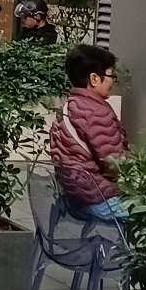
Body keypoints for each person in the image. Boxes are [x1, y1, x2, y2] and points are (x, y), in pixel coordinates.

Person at [49, 44, 128, 222]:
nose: (112, 82)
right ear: (94, 79)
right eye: (111, 76)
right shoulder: (96, 112)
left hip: (74, 197)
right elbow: (116, 164)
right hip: (99, 200)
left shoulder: (69, 106)